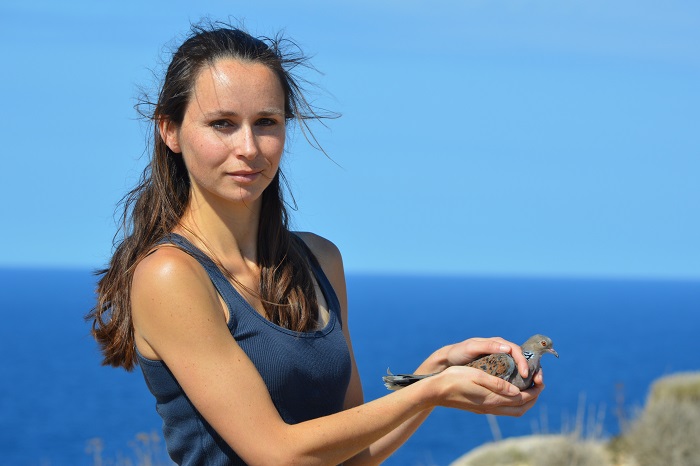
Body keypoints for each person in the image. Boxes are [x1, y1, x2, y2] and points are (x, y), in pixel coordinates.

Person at [87, 21, 544, 465]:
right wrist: (432, 391)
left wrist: (434, 373)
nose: (249, 146)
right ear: (170, 130)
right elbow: (279, 453)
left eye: (266, 122)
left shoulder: (320, 260)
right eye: (222, 124)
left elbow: (351, 456)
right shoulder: (171, 275)